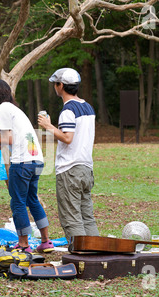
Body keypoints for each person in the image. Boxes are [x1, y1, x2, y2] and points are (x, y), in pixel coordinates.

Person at [0, 79, 54, 253]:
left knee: (18, 203)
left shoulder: (2, 109)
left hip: (22, 162)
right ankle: (46, 241)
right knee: (32, 199)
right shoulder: (15, 109)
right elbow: (6, 142)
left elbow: (9, 140)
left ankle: (23, 245)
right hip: (35, 160)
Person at [38, 68, 99, 243]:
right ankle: (96, 253)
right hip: (86, 169)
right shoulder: (88, 108)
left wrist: (48, 126)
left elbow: (67, 137)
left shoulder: (67, 111)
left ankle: (81, 257)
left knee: (71, 218)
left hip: (70, 170)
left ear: (61, 86)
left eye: (55, 84)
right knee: (87, 216)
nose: (54, 87)